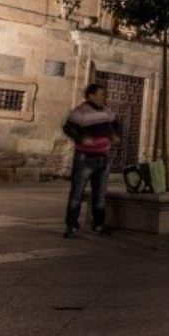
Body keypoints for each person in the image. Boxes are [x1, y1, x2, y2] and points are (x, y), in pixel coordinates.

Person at [61, 83, 121, 238]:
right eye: (101, 94)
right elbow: (68, 128)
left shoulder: (107, 112)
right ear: (91, 95)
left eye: (104, 94)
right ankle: (72, 226)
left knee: (100, 194)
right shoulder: (80, 112)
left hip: (103, 158)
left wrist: (115, 135)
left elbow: (116, 125)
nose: (104, 97)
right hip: (85, 158)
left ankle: (98, 225)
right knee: (77, 194)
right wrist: (82, 138)